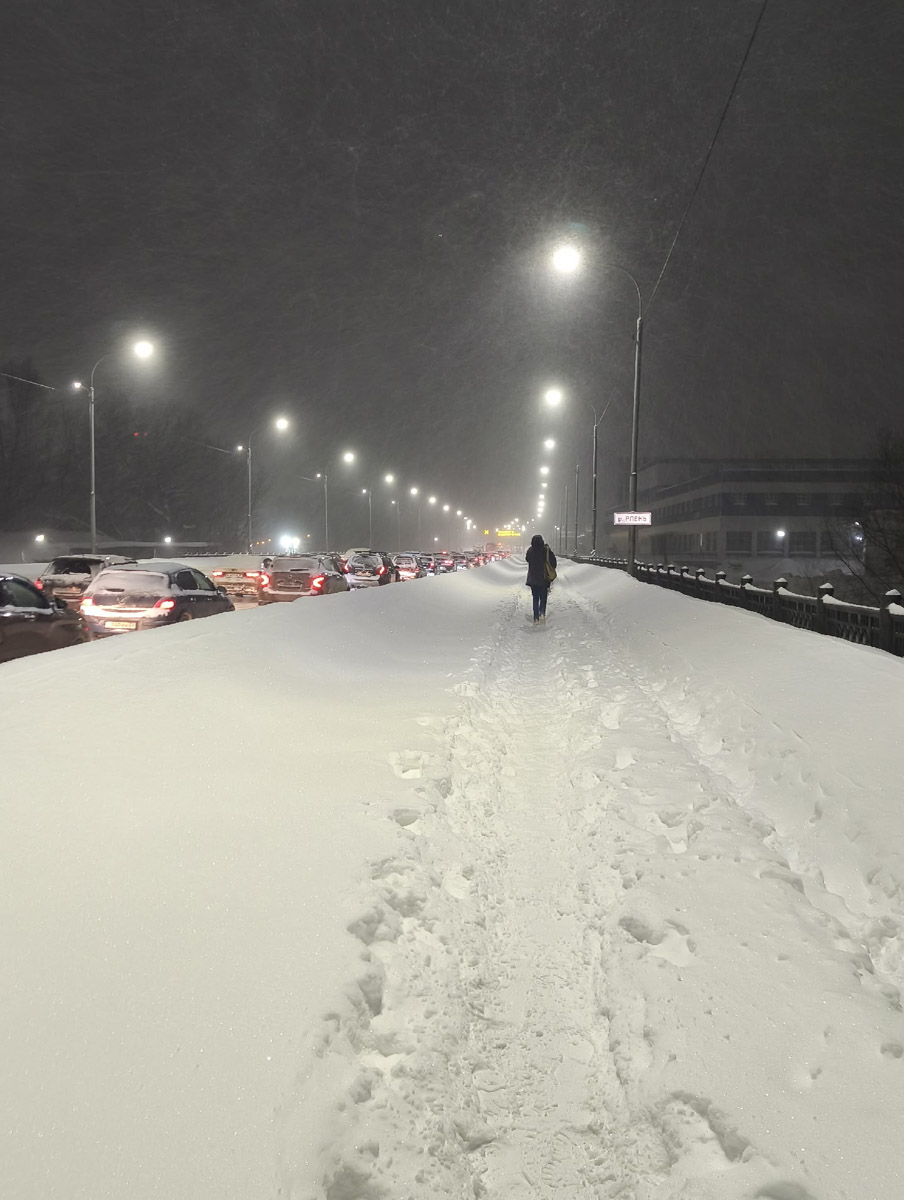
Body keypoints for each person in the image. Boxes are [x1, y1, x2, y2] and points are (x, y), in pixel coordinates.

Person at [525, 533, 557, 623]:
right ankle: (542, 613)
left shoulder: (530, 550)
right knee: (543, 597)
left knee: (535, 598)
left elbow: (527, 559)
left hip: (533, 578)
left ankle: (536, 617)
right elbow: (553, 562)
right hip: (544, 578)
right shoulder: (546, 550)